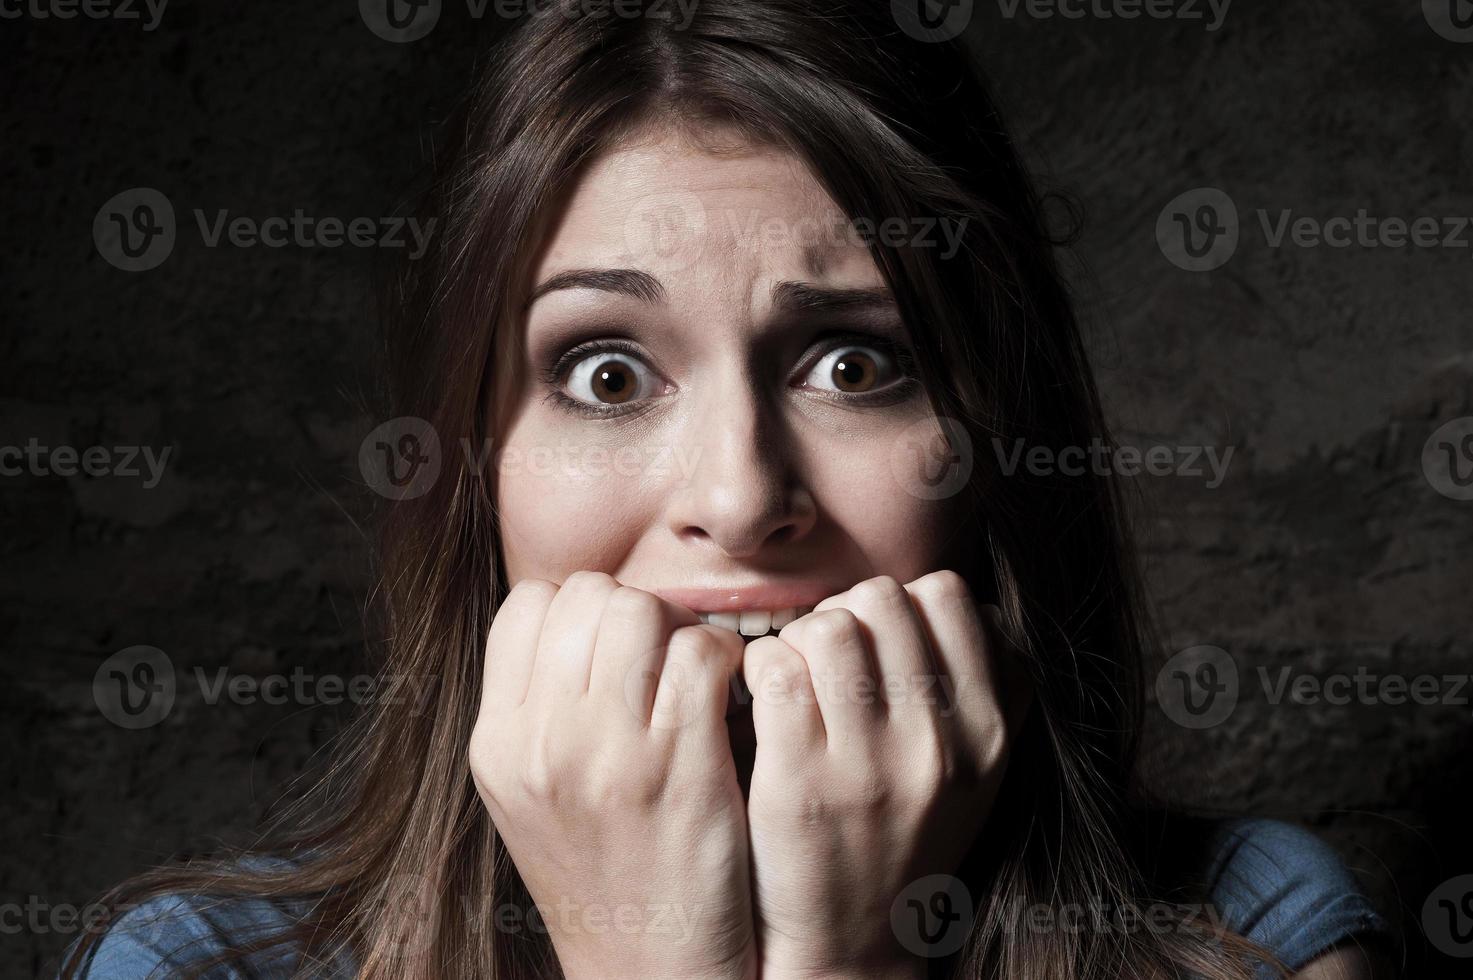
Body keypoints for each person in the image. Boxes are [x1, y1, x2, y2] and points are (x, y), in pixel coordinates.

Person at [60, 1, 1393, 977]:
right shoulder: (197, 967)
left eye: (853, 360)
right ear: (477, 472)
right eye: (604, 375)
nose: (742, 494)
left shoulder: (1253, 938)